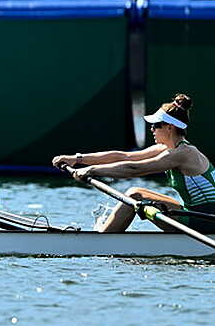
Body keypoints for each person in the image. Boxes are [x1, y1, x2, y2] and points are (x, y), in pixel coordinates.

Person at [52, 93, 215, 233]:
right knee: (136, 193)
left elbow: (135, 169)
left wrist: (91, 170)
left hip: (208, 219)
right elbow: (125, 157)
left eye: (155, 125)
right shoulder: (166, 149)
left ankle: (100, 241)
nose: (152, 129)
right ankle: (103, 235)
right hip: (195, 214)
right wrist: (77, 159)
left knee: (135, 194)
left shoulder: (184, 153)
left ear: (169, 127)